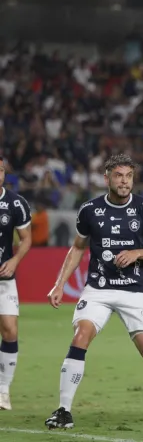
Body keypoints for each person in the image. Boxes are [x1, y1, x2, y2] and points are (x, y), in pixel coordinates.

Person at [45, 154, 143, 438]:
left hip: (134, 292)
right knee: (81, 336)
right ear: (107, 178)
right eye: (118, 175)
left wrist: (137, 253)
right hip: (98, 290)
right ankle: (63, 410)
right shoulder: (90, 210)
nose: (124, 181)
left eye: (128, 176)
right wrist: (59, 284)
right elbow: (78, 248)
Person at [0, 156, 33, 410]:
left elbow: (26, 239)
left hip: (4, 277)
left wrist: (15, 260)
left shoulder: (15, 203)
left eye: (0, 171)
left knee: (10, 329)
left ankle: (3, 390)